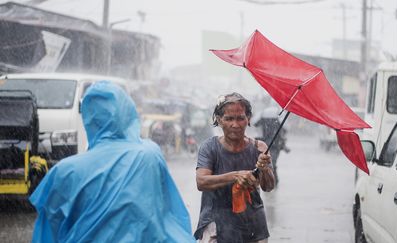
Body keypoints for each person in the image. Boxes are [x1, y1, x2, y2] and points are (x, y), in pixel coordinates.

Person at [30, 81, 195, 243]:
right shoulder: (149, 155)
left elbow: (47, 234)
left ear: (88, 118)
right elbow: (173, 214)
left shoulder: (64, 172)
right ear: (127, 113)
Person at [194, 92, 275, 243]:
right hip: (216, 222)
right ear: (219, 120)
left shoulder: (260, 148)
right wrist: (235, 176)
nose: (235, 124)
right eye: (229, 119)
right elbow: (201, 182)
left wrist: (264, 169)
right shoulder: (209, 148)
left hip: (252, 225)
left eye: (240, 118)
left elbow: (269, 187)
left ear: (248, 119)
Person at [253, 106, 290, 185]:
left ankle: (272, 181)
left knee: (269, 162)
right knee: (272, 162)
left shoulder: (263, 116)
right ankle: (273, 181)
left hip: (268, 143)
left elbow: (255, 124)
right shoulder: (279, 117)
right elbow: (285, 129)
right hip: (275, 144)